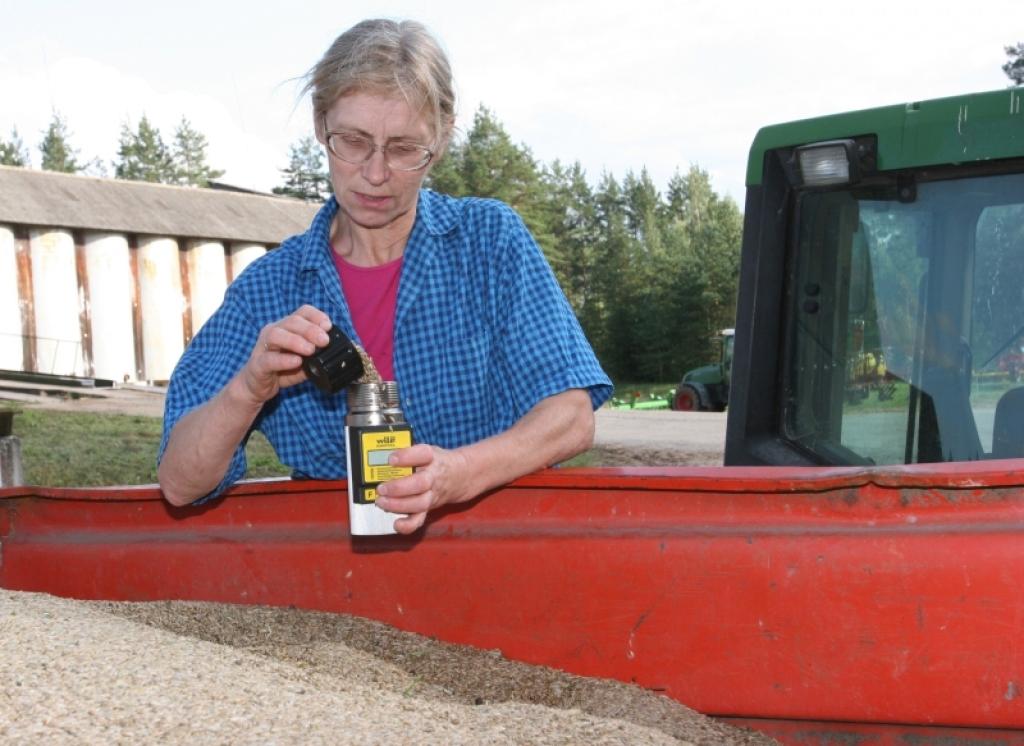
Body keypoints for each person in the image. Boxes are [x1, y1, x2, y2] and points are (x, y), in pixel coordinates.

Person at [157, 18, 612, 533]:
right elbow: (180, 483)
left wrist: (458, 474)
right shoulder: (269, 290)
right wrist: (249, 390)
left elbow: (572, 417)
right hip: (340, 581)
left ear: (440, 141)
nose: (375, 174)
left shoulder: (489, 242)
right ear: (319, 124)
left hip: (497, 550)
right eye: (352, 142)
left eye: (402, 149)